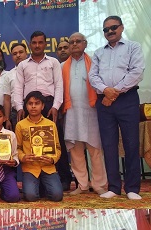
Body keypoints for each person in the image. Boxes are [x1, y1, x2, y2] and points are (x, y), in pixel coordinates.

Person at [89, 15, 145, 200]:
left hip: (127, 99)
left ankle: (132, 188)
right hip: (104, 102)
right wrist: (106, 91)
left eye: (114, 27)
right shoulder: (98, 52)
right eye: (106, 29)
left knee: (131, 143)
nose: (110, 31)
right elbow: (93, 76)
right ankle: (113, 187)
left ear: (121, 28)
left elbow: (137, 72)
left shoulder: (133, 47)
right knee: (109, 144)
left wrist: (114, 93)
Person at [14, 31, 71, 191]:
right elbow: (18, 87)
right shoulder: (23, 65)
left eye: (40, 42)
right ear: (30, 45)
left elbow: (59, 85)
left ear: (45, 44)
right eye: (34, 43)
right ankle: (34, 181)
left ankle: (64, 179)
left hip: (49, 105)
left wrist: (55, 106)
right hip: (29, 105)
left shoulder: (53, 62)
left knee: (55, 142)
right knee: (29, 144)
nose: (37, 45)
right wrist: (19, 107)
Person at [62, 32, 108, 196]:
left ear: (85, 44)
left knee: (95, 149)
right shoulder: (63, 66)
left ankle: (99, 184)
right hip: (71, 113)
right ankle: (82, 185)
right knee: (75, 150)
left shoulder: (94, 63)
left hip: (91, 112)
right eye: (71, 42)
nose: (74, 44)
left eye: (78, 41)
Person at [16, 91, 63, 202]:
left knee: (57, 196)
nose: (33, 106)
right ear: (26, 106)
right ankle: (39, 187)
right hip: (30, 167)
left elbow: (58, 148)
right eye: (30, 103)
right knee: (30, 196)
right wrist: (23, 157)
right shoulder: (20, 125)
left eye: (37, 103)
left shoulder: (50, 124)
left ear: (42, 106)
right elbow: (17, 148)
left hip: (48, 167)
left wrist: (52, 159)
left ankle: (42, 186)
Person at [4, 43, 28, 131]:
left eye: (21, 52)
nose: (18, 55)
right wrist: (7, 119)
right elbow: (7, 99)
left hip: (34, 109)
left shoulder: (34, 70)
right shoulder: (9, 75)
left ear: (26, 53)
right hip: (16, 113)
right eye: (15, 54)